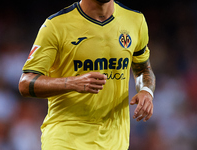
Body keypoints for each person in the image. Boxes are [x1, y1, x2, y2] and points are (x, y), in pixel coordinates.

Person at [18, 0, 156, 149]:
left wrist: (146, 91)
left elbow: (142, 68)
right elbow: (26, 83)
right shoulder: (55, 25)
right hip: (66, 138)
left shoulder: (135, 20)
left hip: (115, 141)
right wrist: (71, 83)